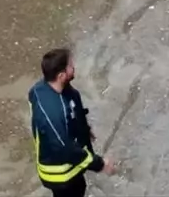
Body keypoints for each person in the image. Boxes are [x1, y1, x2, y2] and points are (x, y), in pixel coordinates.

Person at [29, 48, 116, 197]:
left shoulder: (40, 89)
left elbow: (72, 113)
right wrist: (100, 164)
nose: (74, 67)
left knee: (80, 187)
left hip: (70, 168)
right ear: (61, 76)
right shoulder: (54, 113)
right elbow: (66, 148)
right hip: (61, 175)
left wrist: (84, 128)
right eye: (70, 65)